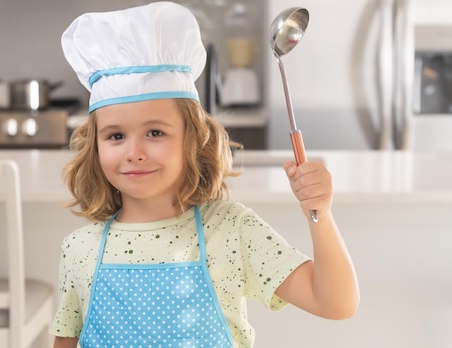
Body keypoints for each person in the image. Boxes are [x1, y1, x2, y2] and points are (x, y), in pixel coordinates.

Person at [52, 2, 359, 347]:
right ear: (95, 147)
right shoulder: (79, 250)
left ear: (193, 140)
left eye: (155, 132)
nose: (133, 152)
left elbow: (336, 302)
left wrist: (321, 213)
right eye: (116, 136)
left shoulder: (232, 231)